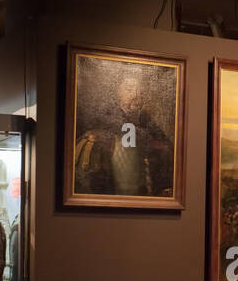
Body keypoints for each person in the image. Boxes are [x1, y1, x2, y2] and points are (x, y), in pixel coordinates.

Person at [73, 69, 174, 197]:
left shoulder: (143, 116)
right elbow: (128, 133)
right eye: (129, 89)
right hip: (111, 185)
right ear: (119, 91)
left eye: (139, 91)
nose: (135, 95)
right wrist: (144, 137)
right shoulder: (107, 113)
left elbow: (165, 143)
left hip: (141, 185)